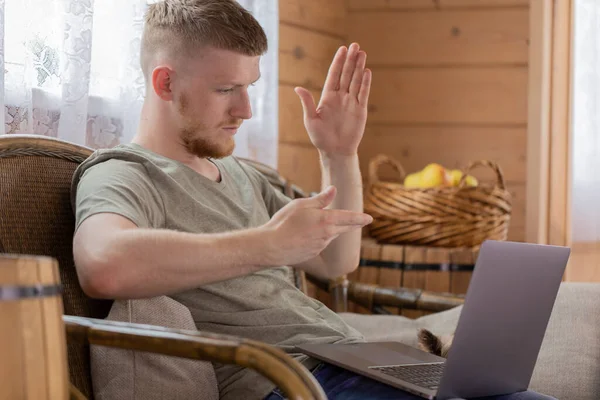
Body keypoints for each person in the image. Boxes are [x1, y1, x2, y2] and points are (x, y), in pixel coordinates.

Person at [70, 1, 556, 399]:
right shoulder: (126, 172)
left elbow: (337, 260)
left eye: (249, 88)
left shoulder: (242, 174)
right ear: (165, 83)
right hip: (288, 382)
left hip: (348, 360)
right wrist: (268, 245)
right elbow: (103, 265)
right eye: (226, 90)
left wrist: (339, 154)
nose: (245, 110)